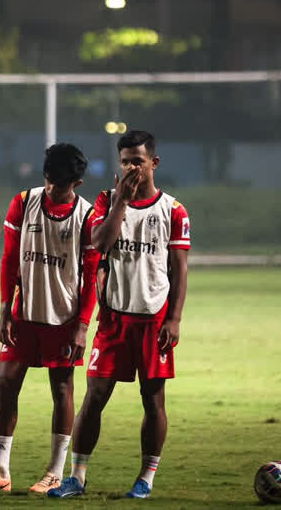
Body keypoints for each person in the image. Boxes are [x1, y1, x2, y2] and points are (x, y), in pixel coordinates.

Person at [49, 130, 190, 500]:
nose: (130, 168)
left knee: (153, 399)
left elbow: (180, 268)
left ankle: (146, 478)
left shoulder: (173, 210)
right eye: (125, 161)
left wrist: (174, 319)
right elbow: (99, 243)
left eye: (137, 161)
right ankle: (76, 477)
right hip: (113, 319)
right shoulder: (106, 200)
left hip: (153, 319)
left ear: (153, 163)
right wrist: (121, 205)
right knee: (94, 396)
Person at [0, 143, 100, 495]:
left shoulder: (86, 216)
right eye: (51, 182)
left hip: (64, 317)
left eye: (63, 185)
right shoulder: (24, 203)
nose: (54, 190)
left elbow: (91, 276)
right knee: (5, 383)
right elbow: (10, 259)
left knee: (61, 388)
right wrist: (5, 309)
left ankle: (55, 472)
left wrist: (83, 326)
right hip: (23, 314)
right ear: (45, 175)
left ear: (78, 183)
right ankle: (0, 470)